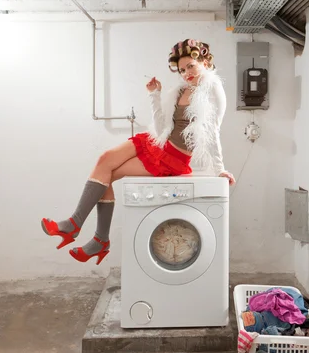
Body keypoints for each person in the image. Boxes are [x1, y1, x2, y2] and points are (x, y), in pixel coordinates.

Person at [41, 38, 235, 265]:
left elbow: (212, 129)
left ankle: (92, 236)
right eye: (181, 70)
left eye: (190, 66)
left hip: (173, 157)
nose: (186, 73)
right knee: (105, 161)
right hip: (157, 143)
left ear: (203, 61)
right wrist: (155, 95)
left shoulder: (212, 88)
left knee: (109, 174)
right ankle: (87, 232)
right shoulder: (181, 90)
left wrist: (220, 169)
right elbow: (162, 127)